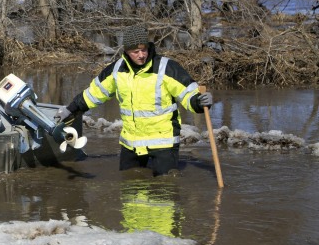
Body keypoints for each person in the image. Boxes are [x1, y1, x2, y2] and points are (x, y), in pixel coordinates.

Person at [56, 24, 213, 176]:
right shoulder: (117, 70)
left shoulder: (166, 68)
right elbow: (93, 94)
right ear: (126, 51)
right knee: (129, 186)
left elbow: (187, 94)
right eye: (135, 51)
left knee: (166, 191)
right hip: (131, 142)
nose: (141, 55)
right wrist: (70, 110)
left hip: (163, 143)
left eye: (143, 49)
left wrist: (199, 101)